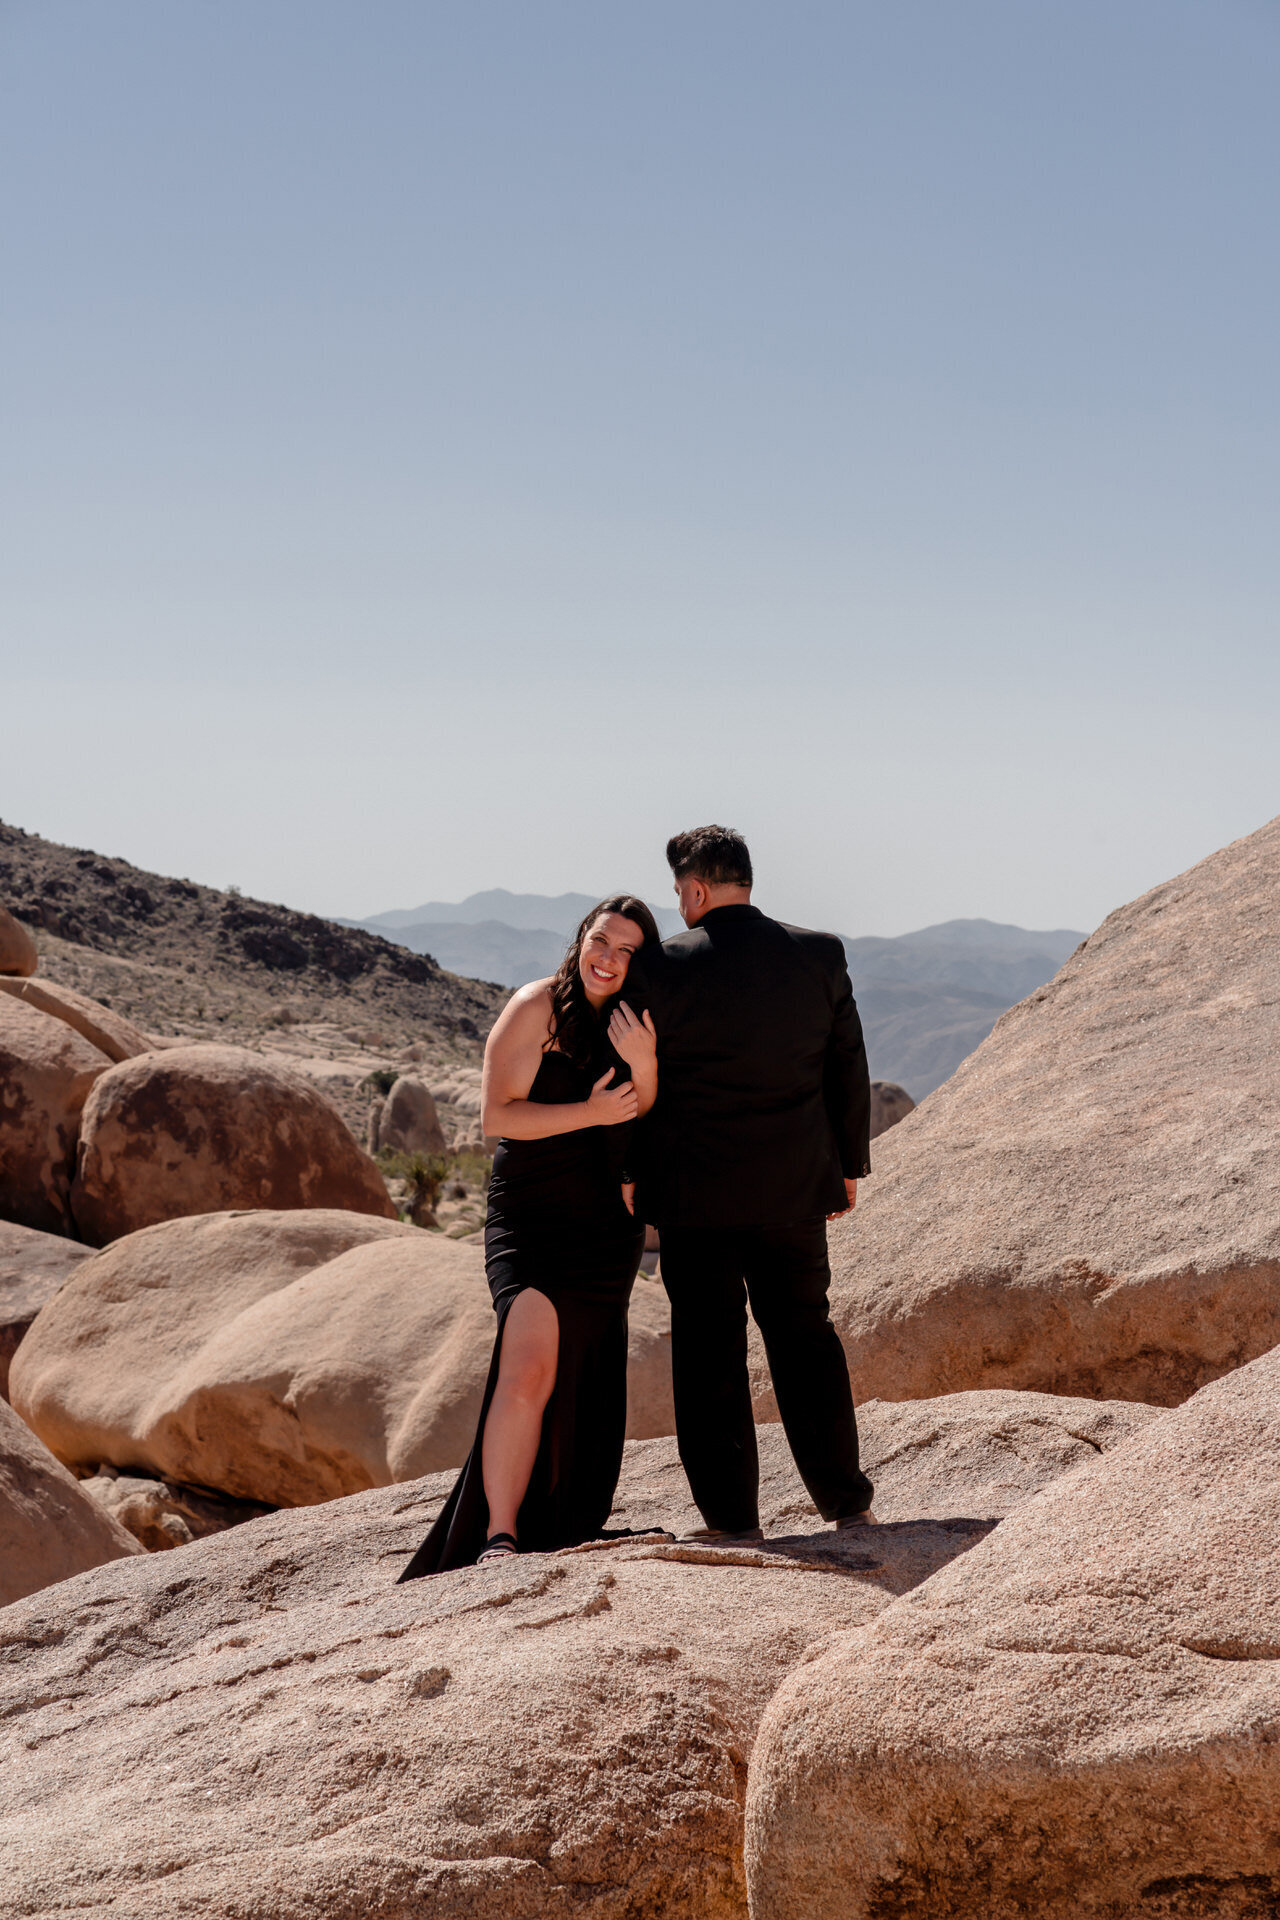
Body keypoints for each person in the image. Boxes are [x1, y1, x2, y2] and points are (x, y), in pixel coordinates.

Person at [622, 825, 875, 1541]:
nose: (678, 905)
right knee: (805, 1341)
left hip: (694, 1197)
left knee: (709, 1357)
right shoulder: (818, 953)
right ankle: (846, 1503)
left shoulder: (662, 967)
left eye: (679, 893)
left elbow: (640, 1077)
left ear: (696, 889)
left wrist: (632, 1173)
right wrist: (847, 1167)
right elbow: (846, 1066)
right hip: (795, 1188)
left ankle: (734, 1523)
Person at [398, 894, 660, 1578]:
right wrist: (591, 1110)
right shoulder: (536, 1006)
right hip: (534, 1216)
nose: (610, 959)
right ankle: (501, 1534)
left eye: (628, 951)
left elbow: (645, 1112)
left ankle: (565, 1515)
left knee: (585, 1373)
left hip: (607, 1228)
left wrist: (647, 1062)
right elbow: (497, 1117)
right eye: (603, 941)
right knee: (530, 1368)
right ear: (581, 938)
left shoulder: (636, 1020)